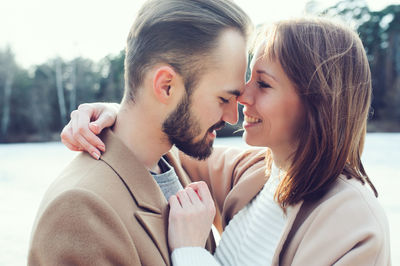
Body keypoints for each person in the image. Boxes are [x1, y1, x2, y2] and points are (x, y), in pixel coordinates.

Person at [62, 18, 391, 265]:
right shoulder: (260, 174)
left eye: (262, 84)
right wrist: (115, 113)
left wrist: (190, 253)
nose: (243, 96)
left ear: (316, 101)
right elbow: (164, 145)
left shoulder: (354, 225)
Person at [28, 0, 252, 265]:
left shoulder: (172, 164)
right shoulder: (79, 210)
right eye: (224, 99)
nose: (232, 117)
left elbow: (277, 168)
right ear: (166, 86)